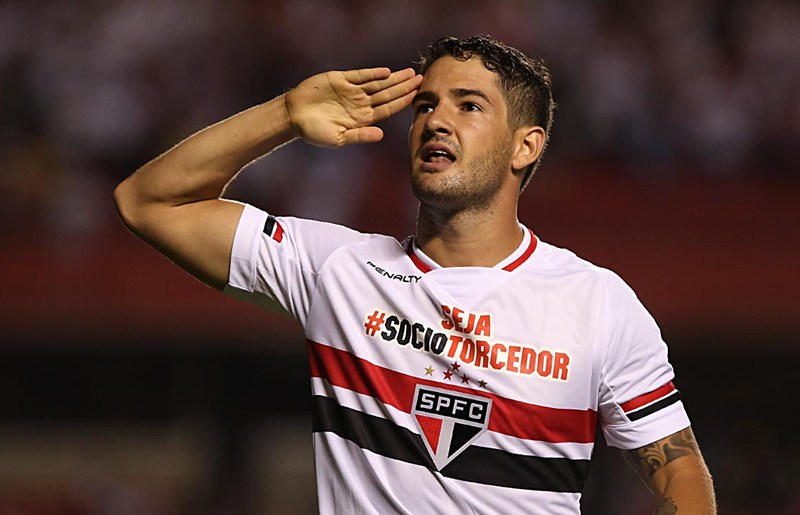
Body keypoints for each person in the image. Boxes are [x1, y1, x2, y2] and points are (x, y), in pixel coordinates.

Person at [114, 35, 717, 514]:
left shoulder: (598, 303)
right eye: (425, 104)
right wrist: (286, 112)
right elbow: (150, 202)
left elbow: (680, 472)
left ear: (525, 146)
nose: (435, 120)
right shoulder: (339, 270)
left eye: (469, 105)